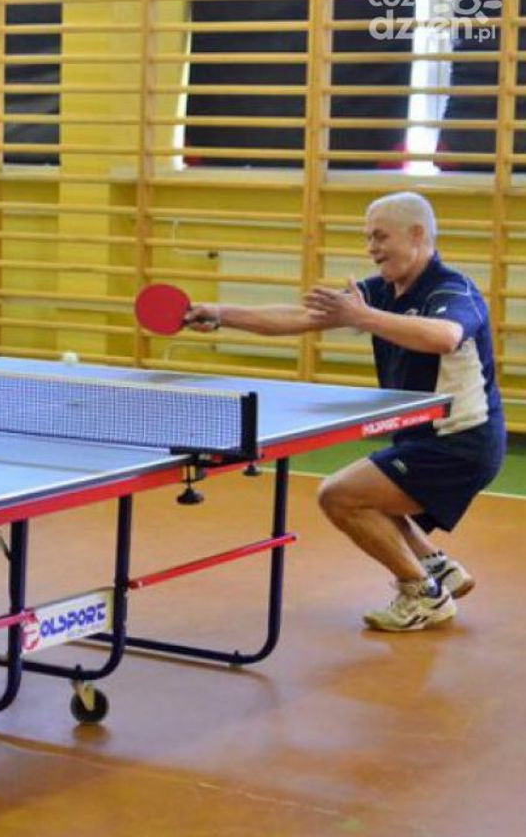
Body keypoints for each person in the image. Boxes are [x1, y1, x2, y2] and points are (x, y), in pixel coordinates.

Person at [185, 192, 505, 632]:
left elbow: (445, 336)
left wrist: (363, 316)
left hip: (461, 441)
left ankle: (423, 593)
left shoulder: (451, 288)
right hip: (421, 436)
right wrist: (221, 313)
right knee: (372, 492)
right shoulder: (380, 291)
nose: (371, 248)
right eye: (367, 238)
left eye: (380, 237)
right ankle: (439, 568)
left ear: (417, 235)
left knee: (339, 496)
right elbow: (299, 317)